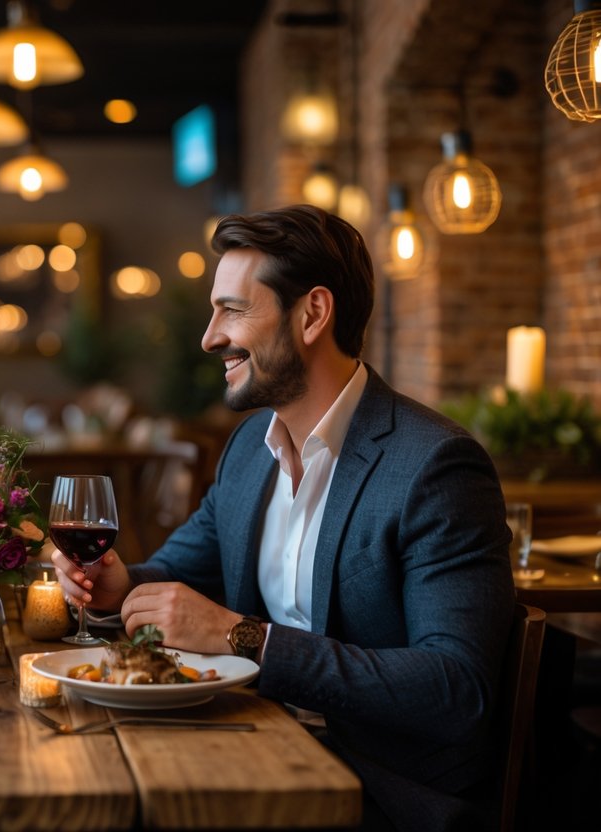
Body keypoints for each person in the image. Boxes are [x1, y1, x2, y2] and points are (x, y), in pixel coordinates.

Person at [53, 205, 514, 831]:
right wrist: (117, 587)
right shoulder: (249, 450)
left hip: (380, 791)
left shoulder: (434, 466)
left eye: (233, 310)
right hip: (253, 741)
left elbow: (457, 689)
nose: (209, 337)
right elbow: (174, 571)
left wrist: (246, 639)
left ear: (312, 314)